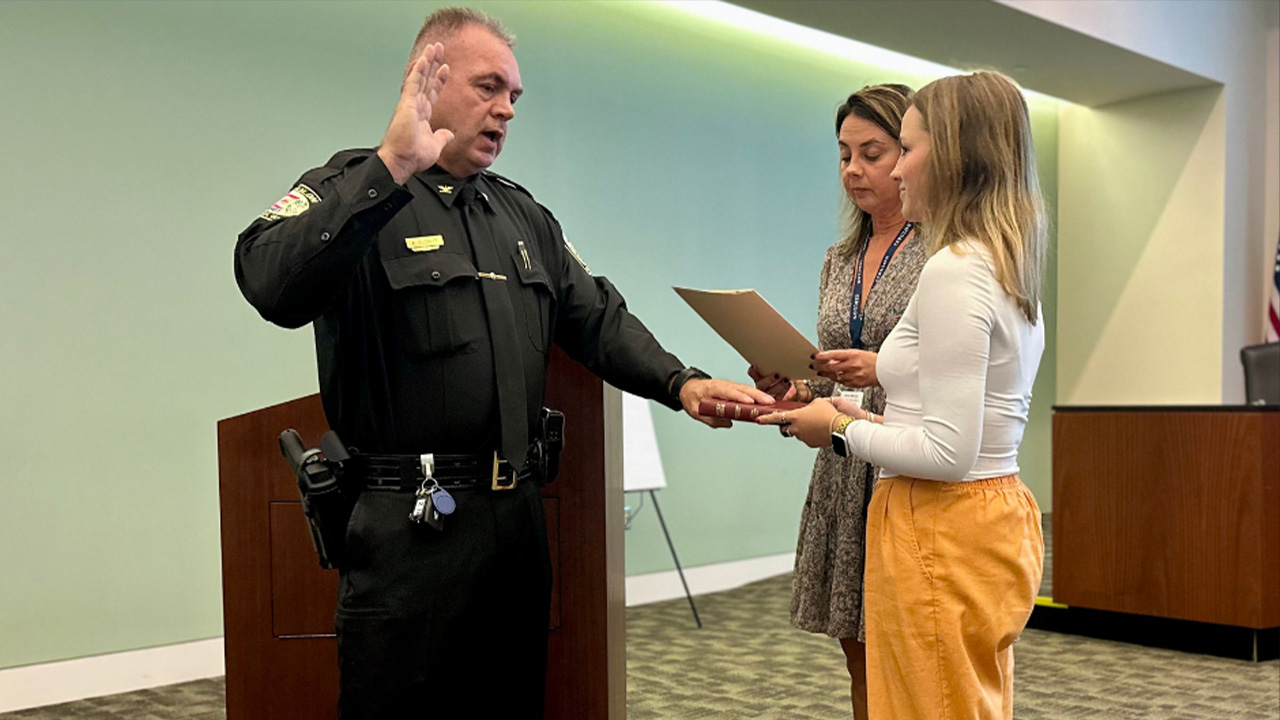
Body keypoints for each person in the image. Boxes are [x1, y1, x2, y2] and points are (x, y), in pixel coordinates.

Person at [234, 8, 771, 718]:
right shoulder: (351, 186)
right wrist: (391, 167)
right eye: (490, 87)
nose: (505, 109)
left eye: (514, 96)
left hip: (513, 523)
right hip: (409, 530)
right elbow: (269, 283)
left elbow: (597, 318)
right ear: (428, 77)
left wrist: (682, 382)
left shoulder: (523, 217)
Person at [759, 70, 1046, 720]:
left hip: (939, 515)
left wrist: (837, 429)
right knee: (954, 700)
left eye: (903, 150)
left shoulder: (952, 268)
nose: (893, 172)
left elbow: (947, 450)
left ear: (953, 158)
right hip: (977, 512)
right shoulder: (1002, 259)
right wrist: (840, 408)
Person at [748, 83, 922, 720]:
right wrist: (795, 389)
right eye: (844, 154)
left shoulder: (945, 255)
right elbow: (831, 375)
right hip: (844, 470)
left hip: (905, 464)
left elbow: (954, 371)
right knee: (858, 652)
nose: (853, 170)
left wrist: (882, 369)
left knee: (908, 655)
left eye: (871, 153)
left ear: (911, 154)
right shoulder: (839, 258)